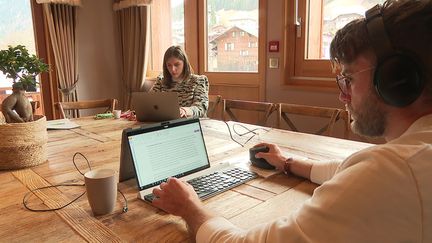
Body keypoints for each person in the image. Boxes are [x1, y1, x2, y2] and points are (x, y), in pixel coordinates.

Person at [150, 1, 432, 242]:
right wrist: (288, 162)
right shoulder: (411, 156)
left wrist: (190, 207)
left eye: (349, 78)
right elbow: (349, 169)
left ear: (397, 79)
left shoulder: (391, 172)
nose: (343, 96)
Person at [151, 45, 209, 118]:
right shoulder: (161, 81)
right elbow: (149, 103)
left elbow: (201, 108)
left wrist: (185, 110)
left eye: (177, 64)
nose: (173, 69)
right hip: (166, 124)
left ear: (184, 63)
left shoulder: (198, 81)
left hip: (191, 124)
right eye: (169, 65)